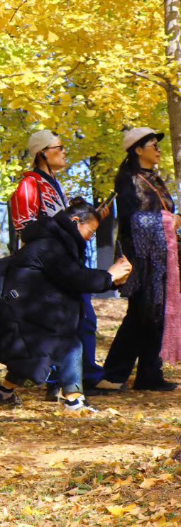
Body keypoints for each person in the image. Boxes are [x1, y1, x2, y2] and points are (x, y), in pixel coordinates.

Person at [0, 201, 131, 413]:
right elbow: (75, 278)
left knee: (35, 355)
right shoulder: (51, 246)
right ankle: (74, 401)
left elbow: (71, 278)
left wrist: (110, 281)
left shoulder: (53, 243)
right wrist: (109, 275)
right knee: (70, 344)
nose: (91, 237)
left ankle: (4, 393)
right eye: (90, 231)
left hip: (25, 316)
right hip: (21, 320)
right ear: (75, 222)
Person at [9, 130, 103, 396]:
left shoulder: (53, 185)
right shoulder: (29, 184)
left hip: (63, 263)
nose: (64, 152)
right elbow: (24, 227)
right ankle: (68, 386)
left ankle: (64, 382)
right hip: (48, 267)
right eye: (59, 147)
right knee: (72, 323)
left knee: (80, 320)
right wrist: (63, 224)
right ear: (42, 153)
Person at [94, 128, 181, 393]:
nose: (158, 150)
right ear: (138, 150)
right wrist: (170, 221)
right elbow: (134, 220)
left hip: (162, 256)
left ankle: (148, 375)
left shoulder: (154, 179)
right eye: (153, 145)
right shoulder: (128, 180)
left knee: (154, 315)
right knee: (141, 315)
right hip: (142, 258)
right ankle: (114, 374)